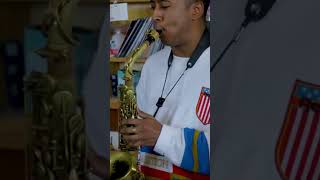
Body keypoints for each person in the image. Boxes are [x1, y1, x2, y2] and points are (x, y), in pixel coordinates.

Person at [121, 0, 211, 179]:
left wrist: (160, 136)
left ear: (196, 10)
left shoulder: (227, 65)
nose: (155, 16)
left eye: (165, 6)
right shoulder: (152, 64)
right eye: (153, 6)